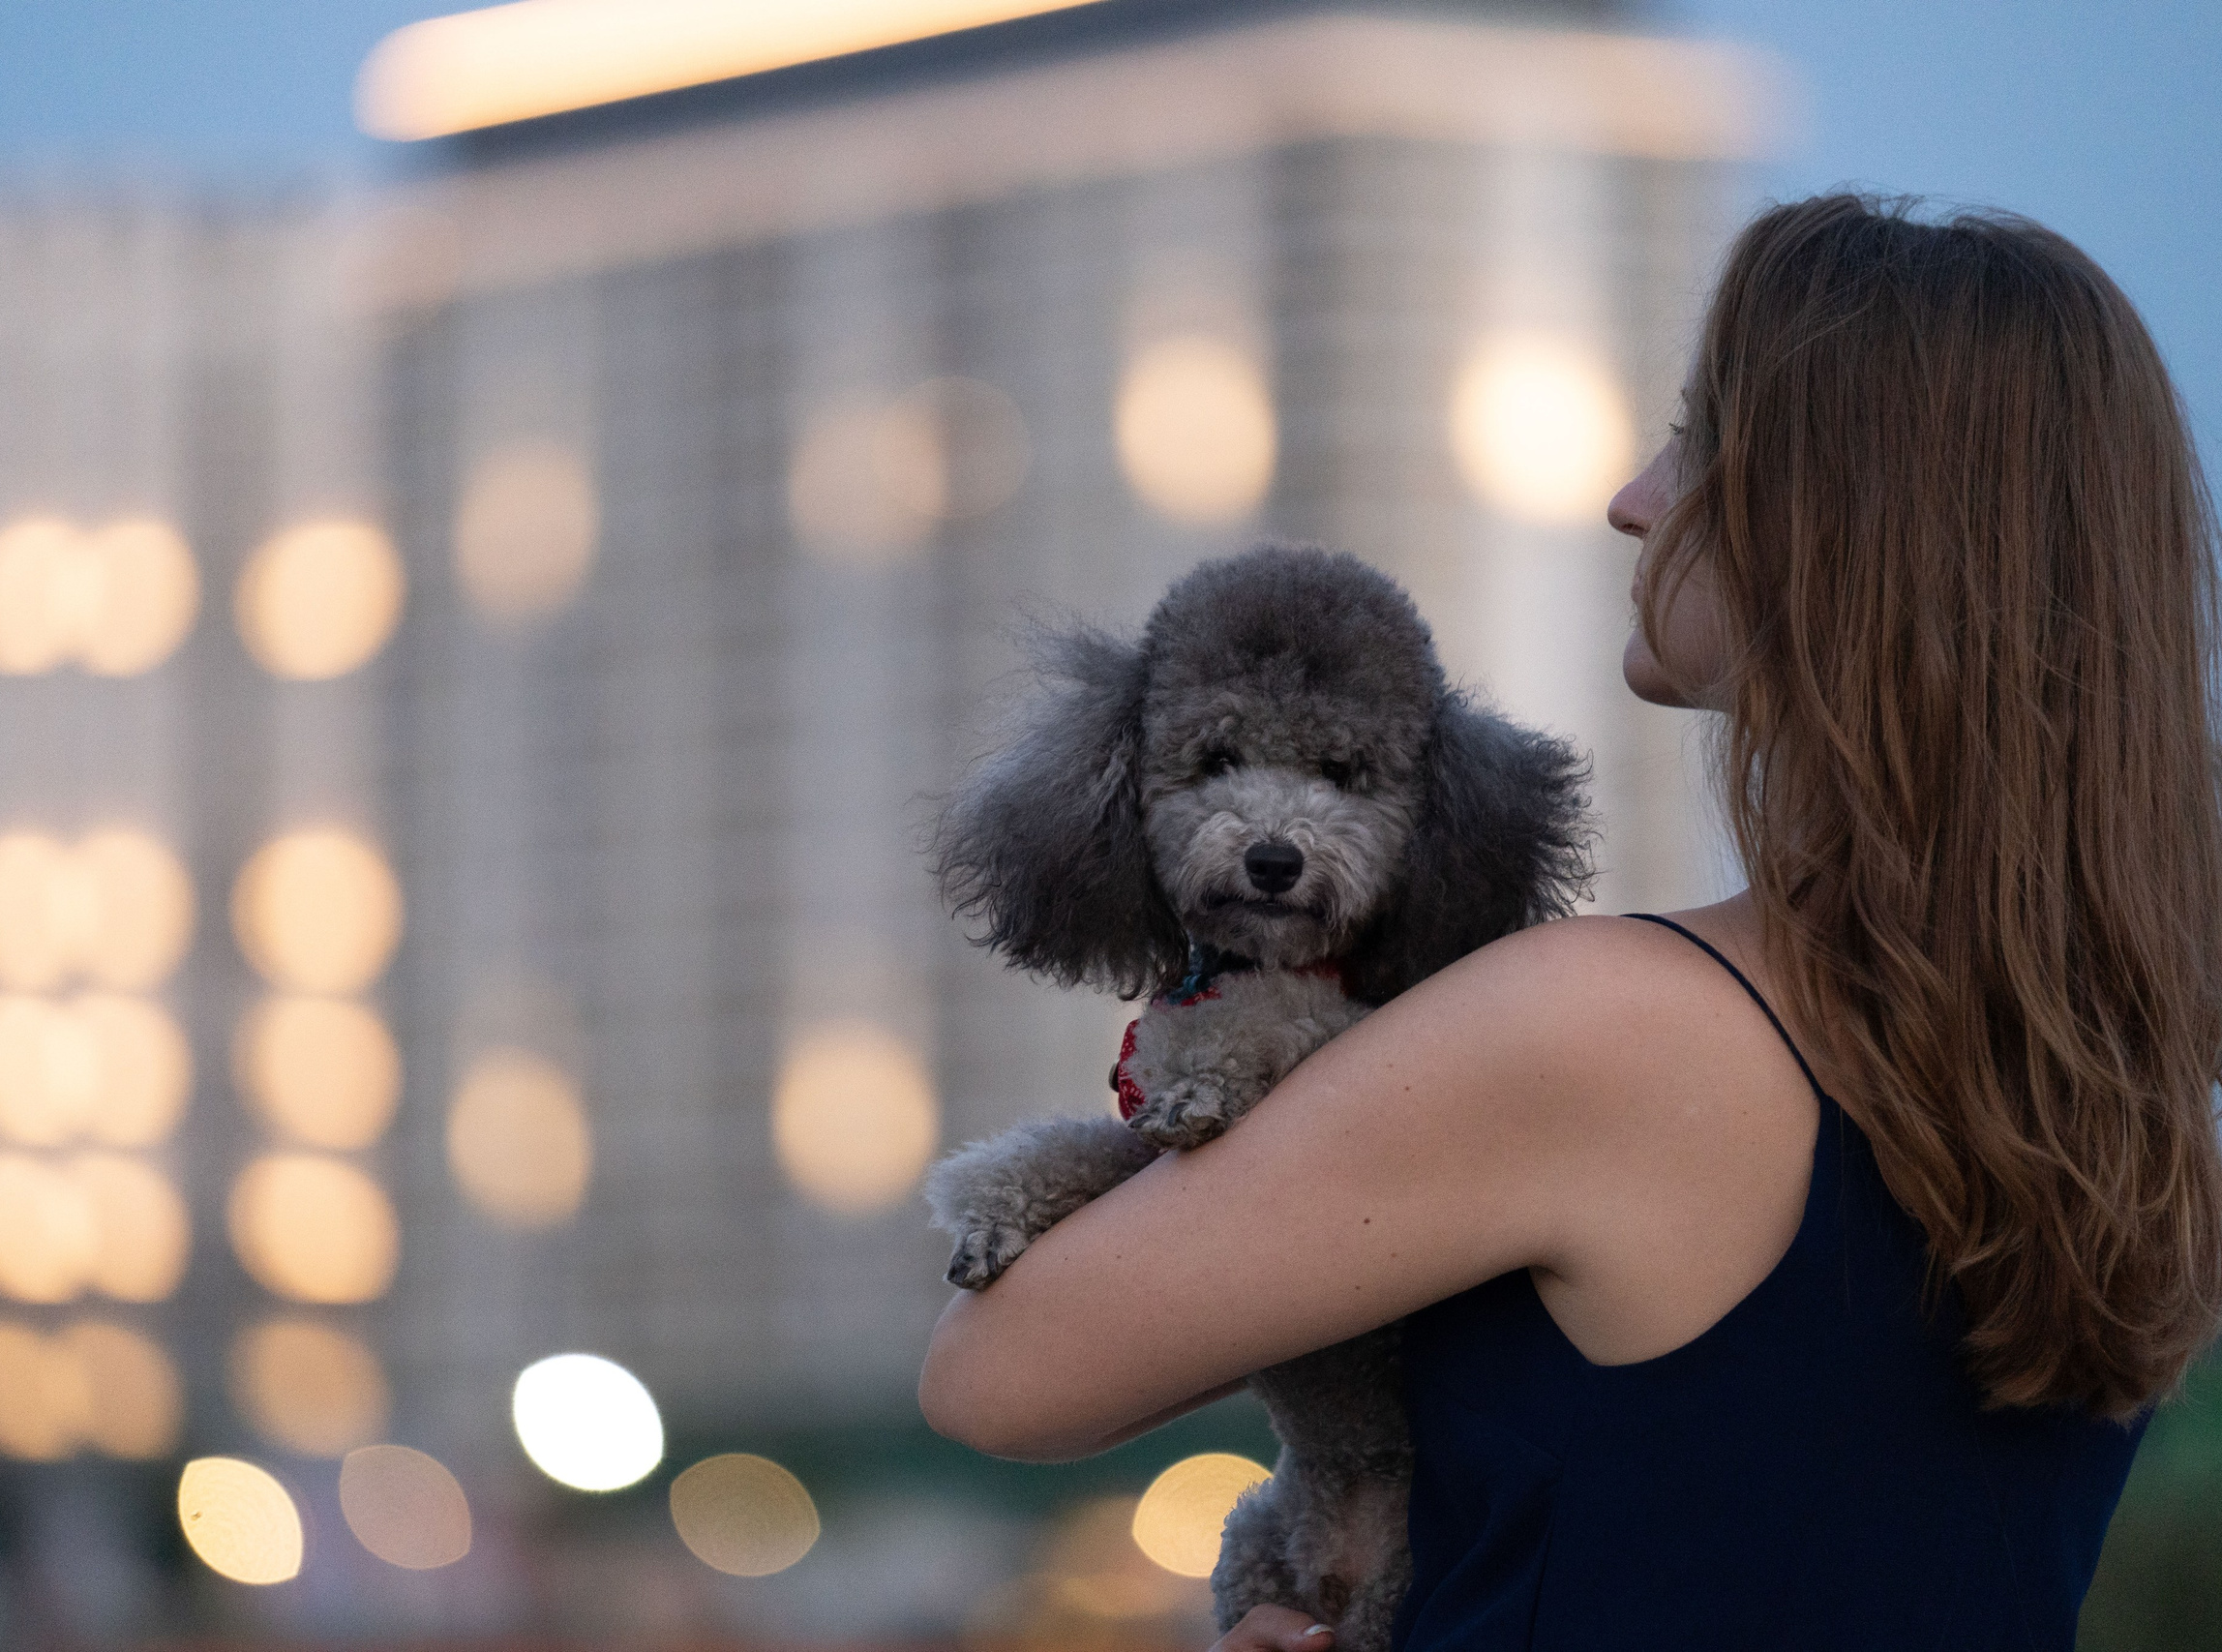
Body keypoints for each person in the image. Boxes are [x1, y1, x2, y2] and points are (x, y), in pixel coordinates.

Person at [917, 193, 2222, 1650]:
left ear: (1841, 520)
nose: (1637, 497)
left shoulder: (1610, 1028)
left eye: (1701, 438)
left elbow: (997, 1378)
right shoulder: (2122, 1089)